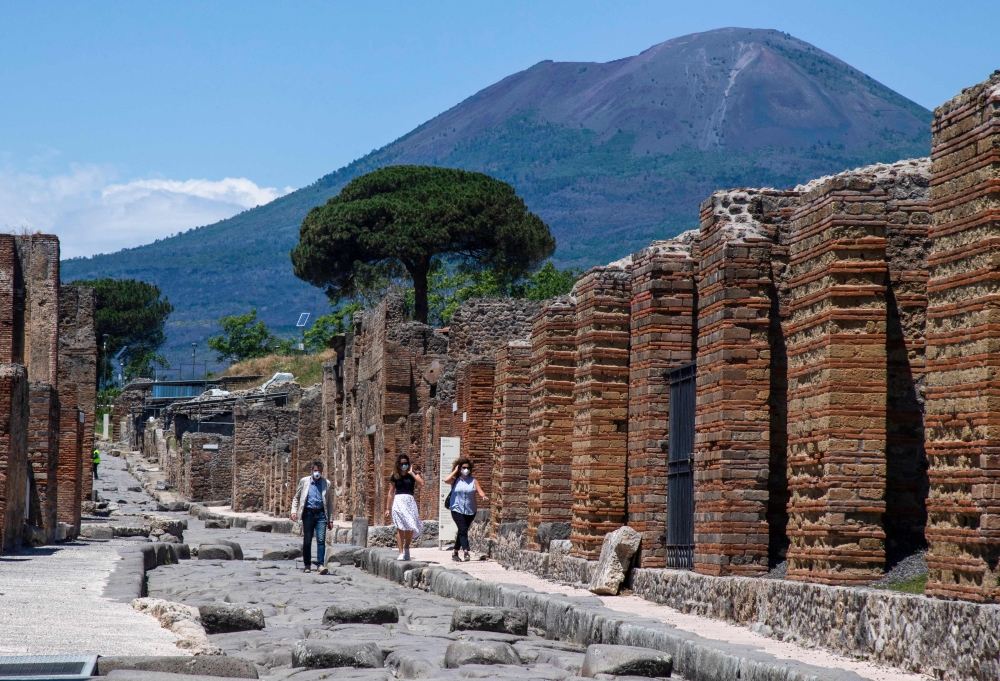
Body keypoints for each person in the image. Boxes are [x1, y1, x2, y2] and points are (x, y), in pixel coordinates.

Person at [290, 460, 333, 574]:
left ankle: (320, 565)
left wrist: (331, 519)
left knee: (321, 539)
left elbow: (329, 503)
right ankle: (307, 565)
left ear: (322, 471)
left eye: (319, 470)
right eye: (315, 470)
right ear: (311, 470)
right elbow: (296, 497)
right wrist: (294, 511)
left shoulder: (326, 483)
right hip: (308, 513)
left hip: (321, 514)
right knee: (307, 540)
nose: (317, 472)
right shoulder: (304, 481)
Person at [444, 458, 488, 562]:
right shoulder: (455, 480)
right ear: (459, 468)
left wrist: (483, 496)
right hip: (456, 508)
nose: (466, 470)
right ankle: (466, 551)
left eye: (468, 468)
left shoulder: (473, 480)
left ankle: (455, 552)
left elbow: (480, 491)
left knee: (462, 531)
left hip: (470, 510)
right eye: (464, 468)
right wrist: (455, 471)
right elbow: (446, 480)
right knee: (463, 529)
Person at [384, 453, 424, 561]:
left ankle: (407, 548)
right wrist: (388, 508)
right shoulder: (395, 475)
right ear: (398, 464)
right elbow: (391, 492)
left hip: (410, 501)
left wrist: (412, 473)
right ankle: (401, 552)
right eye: (402, 463)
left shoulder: (413, 474)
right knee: (400, 528)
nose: (404, 465)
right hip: (399, 501)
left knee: (410, 527)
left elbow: (421, 483)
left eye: (406, 463)